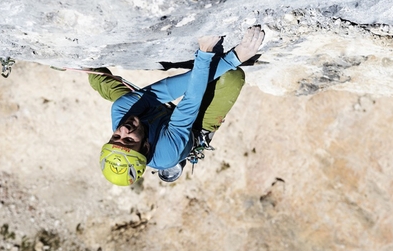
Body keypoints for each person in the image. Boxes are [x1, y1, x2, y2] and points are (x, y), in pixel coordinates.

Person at [90, 25, 265, 186]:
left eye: (115, 138)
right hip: (194, 127)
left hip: (151, 111)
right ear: (145, 147)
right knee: (232, 77)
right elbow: (190, 102)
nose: (123, 130)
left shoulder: (122, 112)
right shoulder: (167, 152)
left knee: (96, 76)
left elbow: (172, 87)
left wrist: (213, 56)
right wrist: (234, 58)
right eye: (129, 140)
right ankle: (188, 150)